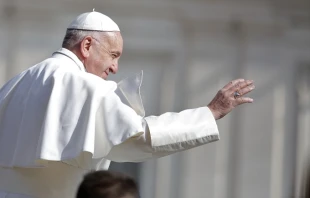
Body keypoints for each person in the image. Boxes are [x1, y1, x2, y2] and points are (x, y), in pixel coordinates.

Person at [0, 11, 255, 198]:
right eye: (113, 55)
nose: (115, 67)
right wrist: (209, 114)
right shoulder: (86, 86)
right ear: (87, 45)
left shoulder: (13, 84)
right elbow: (140, 138)